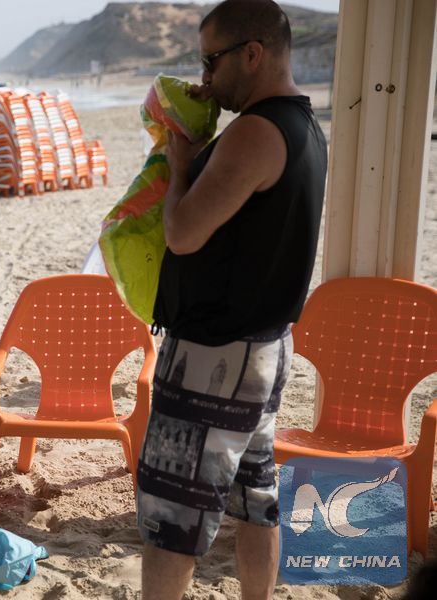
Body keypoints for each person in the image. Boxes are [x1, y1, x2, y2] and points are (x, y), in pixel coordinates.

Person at [135, 1, 328, 599]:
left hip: (214, 355)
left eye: (211, 62)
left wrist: (180, 163)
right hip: (263, 346)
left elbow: (183, 233)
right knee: (255, 500)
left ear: (253, 53)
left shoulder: (255, 131)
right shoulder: (301, 125)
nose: (205, 78)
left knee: (174, 519)